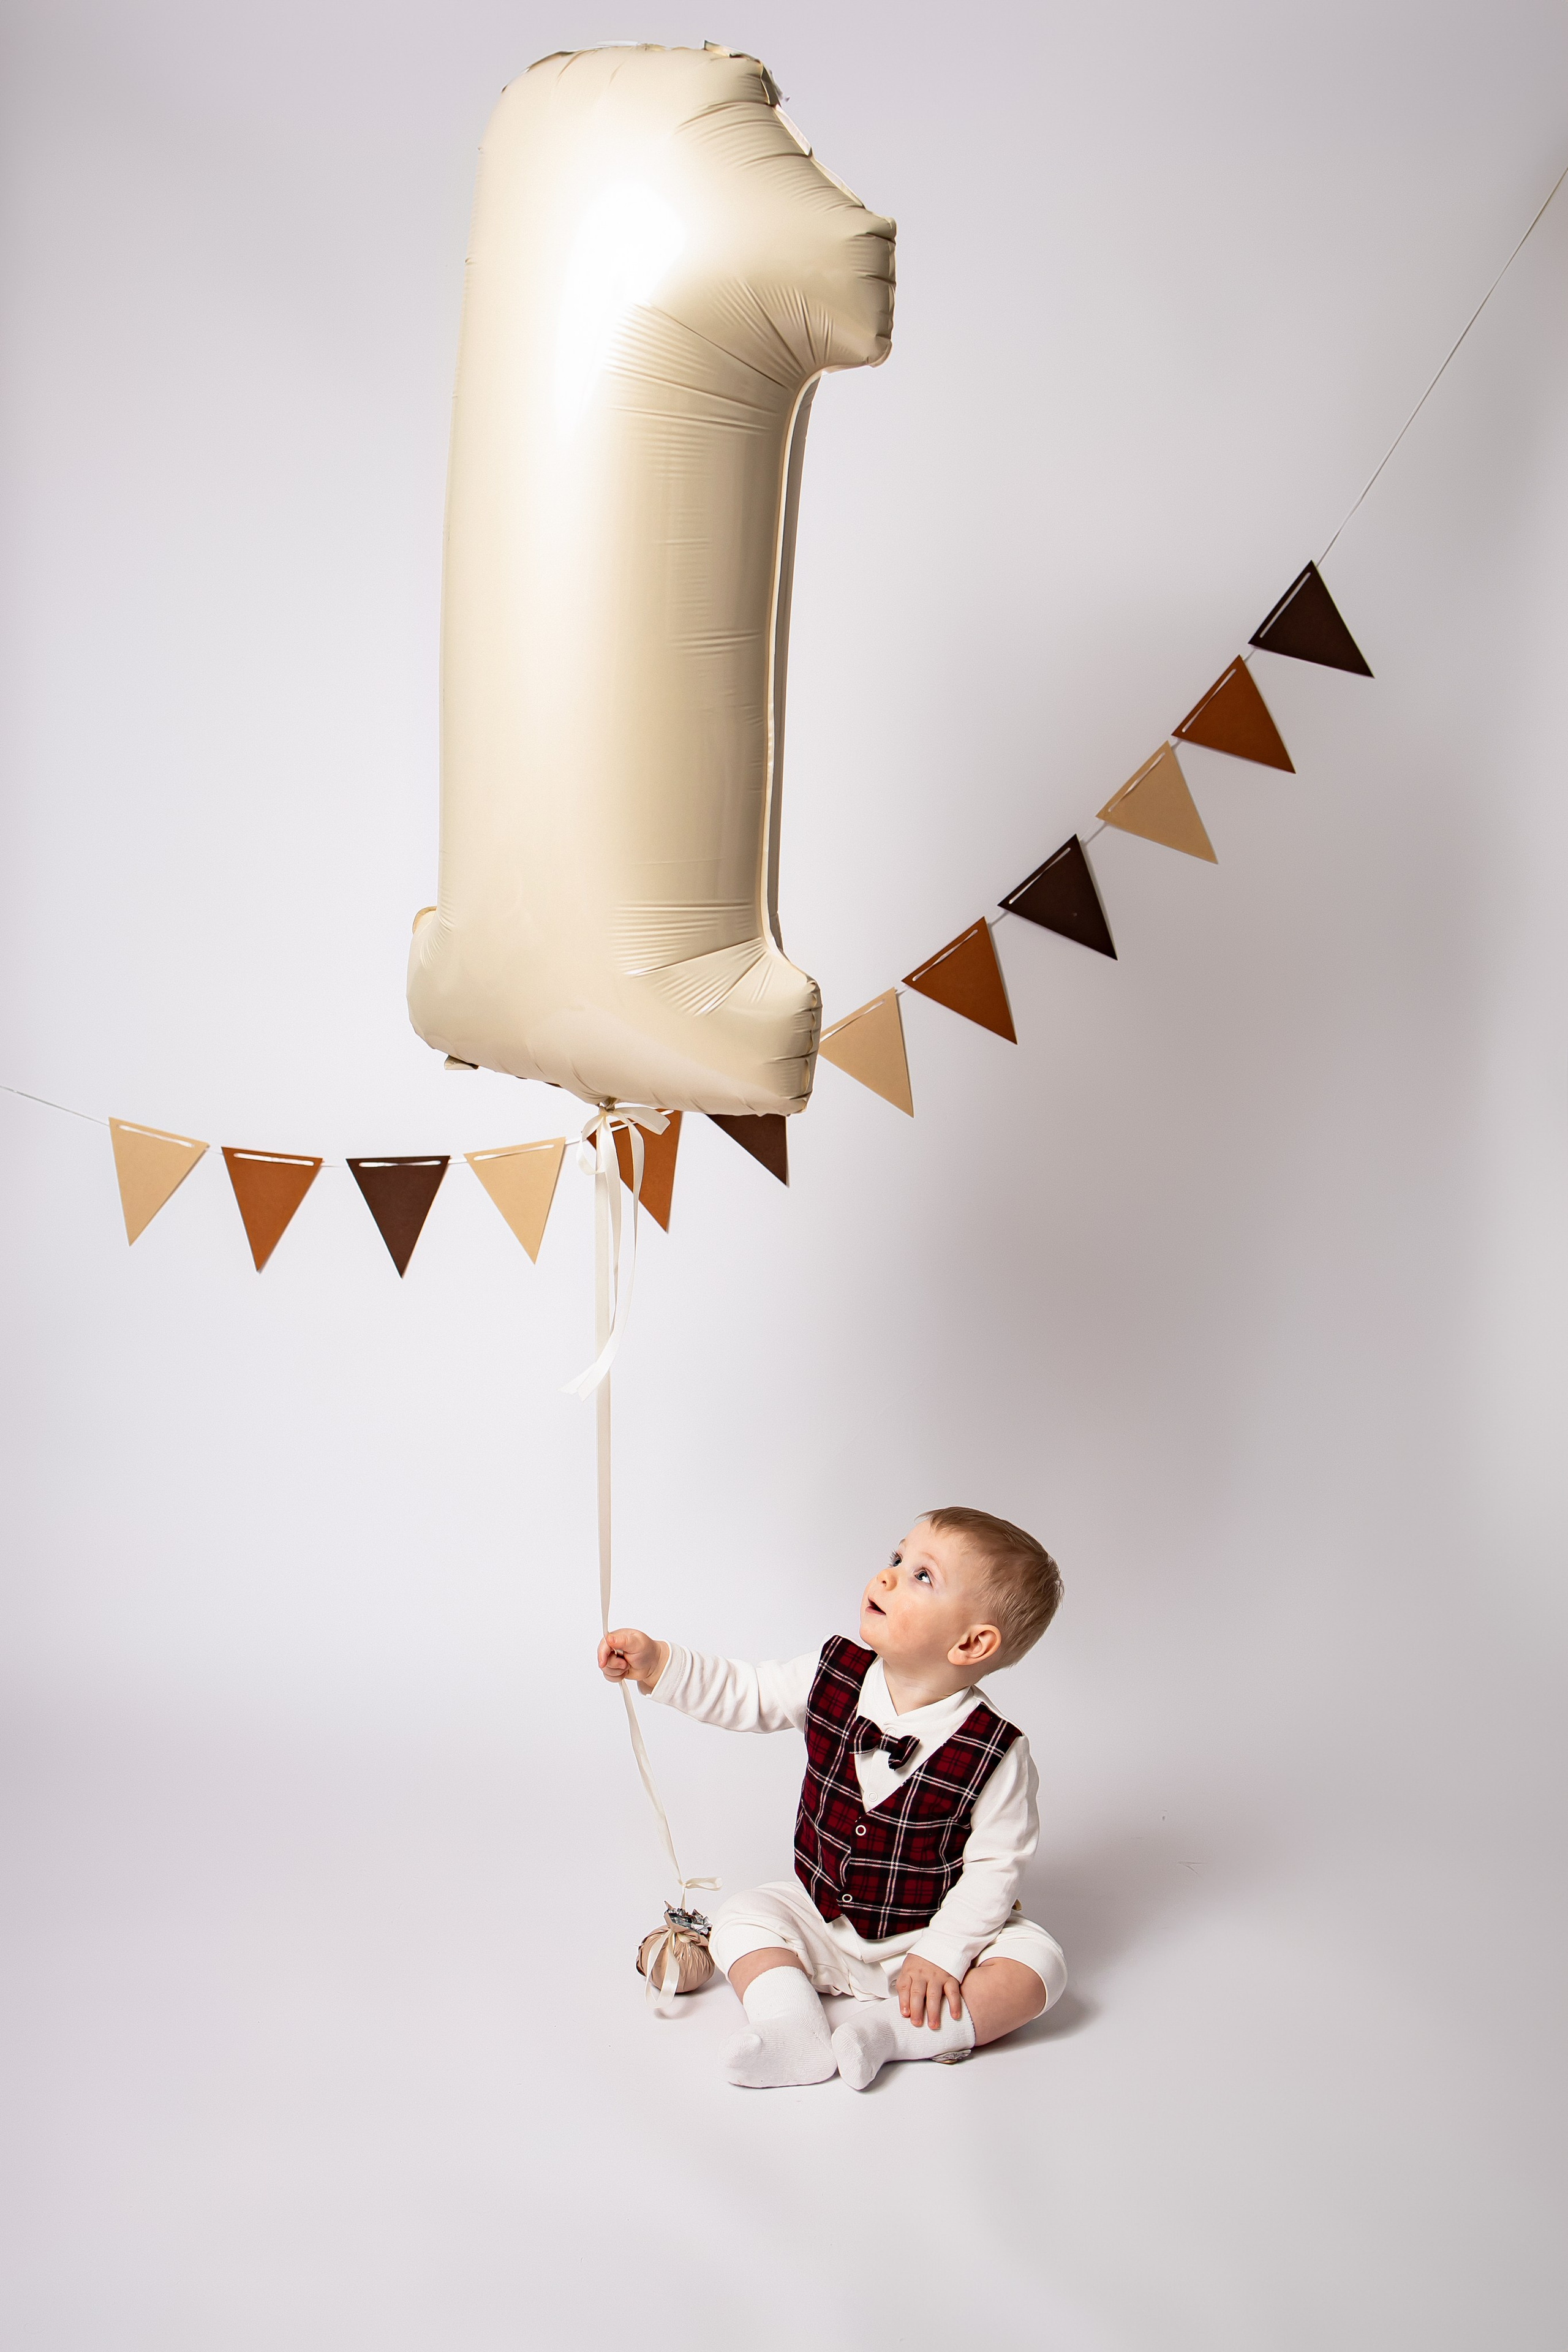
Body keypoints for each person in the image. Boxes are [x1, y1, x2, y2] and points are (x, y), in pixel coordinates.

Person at [597, 1507, 1066, 2089]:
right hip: (823, 1916)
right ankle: (791, 2028)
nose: (889, 1575)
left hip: (927, 1931)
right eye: (897, 1558)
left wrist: (945, 1952)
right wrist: (661, 1663)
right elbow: (748, 1691)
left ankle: (891, 2034)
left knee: (1039, 1970)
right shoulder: (833, 1672)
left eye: (923, 1575)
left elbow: (998, 1867)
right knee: (741, 1919)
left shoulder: (997, 1751)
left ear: (972, 1643)